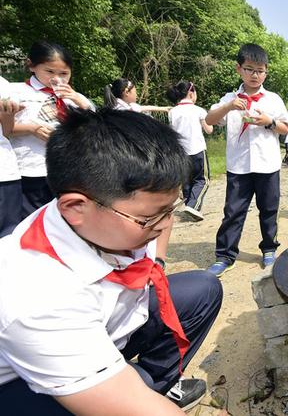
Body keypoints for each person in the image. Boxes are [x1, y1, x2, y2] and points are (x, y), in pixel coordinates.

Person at [0, 108, 223, 414]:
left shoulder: (104, 214)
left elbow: (159, 216)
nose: (163, 224)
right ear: (75, 207)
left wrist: (155, 262)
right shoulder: (38, 297)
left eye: (170, 209)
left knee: (201, 290)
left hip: (108, 327)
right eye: (149, 218)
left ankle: (155, 384)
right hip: (27, 383)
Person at [205, 43, 288, 274]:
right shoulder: (230, 98)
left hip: (267, 164)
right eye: (250, 69)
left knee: (269, 209)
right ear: (238, 69)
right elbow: (210, 120)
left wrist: (268, 122)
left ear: (266, 72)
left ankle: (269, 249)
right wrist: (229, 107)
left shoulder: (273, 99)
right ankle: (225, 256)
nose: (255, 75)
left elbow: (285, 127)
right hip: (239, 166)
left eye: (260, 70)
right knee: (233, 212)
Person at [7, 41, 94, 218]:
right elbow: (5, 129)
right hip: (31, 169)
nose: (57, 78)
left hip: (67, 170)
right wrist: (32, 128)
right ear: (31, 65)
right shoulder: (15, 92)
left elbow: (95, 125)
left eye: (64, 73)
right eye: (49, 72)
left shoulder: (73, 98)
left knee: (64, 220)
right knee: (33, 218)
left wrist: (78, 100)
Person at [166, 81, 213, 221]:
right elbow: (209, 130)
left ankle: (188, 205)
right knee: (202, 180)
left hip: (181, 152)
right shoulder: (198, 110)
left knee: (186, 181)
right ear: (191, 93)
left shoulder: (173, 112)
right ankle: (193, 206)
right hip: (197, 149)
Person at [0, 77, 23, 236]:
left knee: (8, 236)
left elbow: (7, 132)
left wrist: (7, 113)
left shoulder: (3, 85)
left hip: (4, 173)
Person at [104, 78, 171, 114]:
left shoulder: (125, 106)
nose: (137, 95)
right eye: (135, 92)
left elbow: (144, 108)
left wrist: (164, 108)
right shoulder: (122, 112)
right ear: (127, 92)